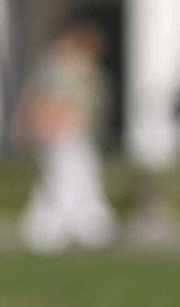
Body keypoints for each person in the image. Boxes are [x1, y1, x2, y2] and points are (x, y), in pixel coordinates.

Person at [15, 21, 116, 254]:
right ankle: (53, 228)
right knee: (63, 179)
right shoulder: (58, 66)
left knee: (75, 178)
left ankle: (81, 225)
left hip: (75, 132)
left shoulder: (77, 66)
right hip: (62, 132)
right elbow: (49, 101)